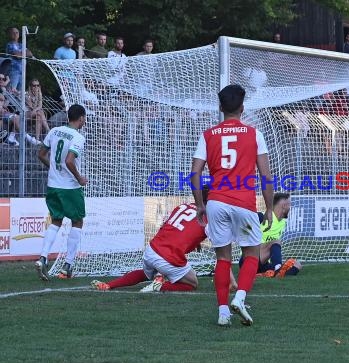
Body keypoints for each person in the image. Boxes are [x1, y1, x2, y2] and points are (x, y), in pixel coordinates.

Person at [191, 84, 274, 327]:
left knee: (222, 258)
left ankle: (223, 312)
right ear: (242, 108)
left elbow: (195, 173)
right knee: (252, 254)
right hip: (244, 202)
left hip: (216, 202)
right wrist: (269, 207)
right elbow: (266, 176)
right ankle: (240, 297)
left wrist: (199, 204)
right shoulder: (254, 134)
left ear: (220, 107)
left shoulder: (208, 135)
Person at [90, 186, 230, 292]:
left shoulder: (182, 206)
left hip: (151, 250)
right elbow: (220, 251)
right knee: (192, 283)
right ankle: (160, 286)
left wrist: (196, 240)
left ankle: (109, 285)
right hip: (168, 257)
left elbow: (172, 228)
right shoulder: (209, 219)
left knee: (145, 273)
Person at [35, 104, 88, 280]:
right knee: (77, 221)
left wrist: (53, 170)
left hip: (53, 185)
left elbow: (41, 154)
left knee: (56, 221)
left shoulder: (55, 131)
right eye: (84, 118)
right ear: (81, 118)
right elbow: (69, 160)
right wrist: (79, 178)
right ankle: (68, 265)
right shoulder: (78, 137)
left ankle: (43, 258)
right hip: (70, 187)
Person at [239, 193, 301, 278]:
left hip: (263, 263)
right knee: (276, 241)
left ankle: (265, 274)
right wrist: (250, 243)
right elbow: (244, 229)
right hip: (248, 259)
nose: (290, 207)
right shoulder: (262, 217)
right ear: (283, 206)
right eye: (289, 204)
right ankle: (277, 268)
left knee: (297, 265)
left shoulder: (282, 223)